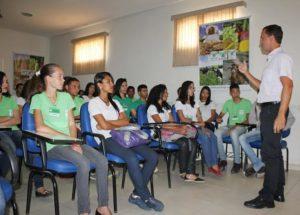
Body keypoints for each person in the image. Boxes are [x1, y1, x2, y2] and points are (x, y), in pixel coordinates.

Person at [30, 64, 111, 215]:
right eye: (60, 76)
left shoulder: (66, 97)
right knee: (84, 163)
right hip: (51, 145)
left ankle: (102, 206)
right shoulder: (38, 98)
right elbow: (40, 127)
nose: (63, 79)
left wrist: (73, 141)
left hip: (70, 141)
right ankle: (84, 211)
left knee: (102, 161)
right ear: (48, 79)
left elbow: (71, 123)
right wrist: (68, 139)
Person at [89, 72, 164, 212]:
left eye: (112, 81)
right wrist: (113, 124)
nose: (112, 84)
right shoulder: (93, 103)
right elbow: (104, 128)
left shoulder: (115, 102)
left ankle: (136, 194)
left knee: (152, 156)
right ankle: (146, 196)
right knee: (131, 157)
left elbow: (125, 121)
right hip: (106, 139)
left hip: (124, 135)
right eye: (108, 81)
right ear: (99, 85)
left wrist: (108, 122)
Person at [238, 25, 293, 209]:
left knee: (269, 154)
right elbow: (264, 87)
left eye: (262, 37)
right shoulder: (272, 60)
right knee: (274, 153)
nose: (260, 41)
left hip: (273, 111)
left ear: (271, 37)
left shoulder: (282, 58)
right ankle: (278, 190)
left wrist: (281, 115)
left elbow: (288, 86)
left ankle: (266, 197)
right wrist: (246, 73)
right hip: (269, 110)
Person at [147, 84, 204, 182]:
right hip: (159, 134)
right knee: (186, 141)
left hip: (170, 132)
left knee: (191, 140)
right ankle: (188, 172)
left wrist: (181, 127)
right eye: (165, 92)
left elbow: (172, 122)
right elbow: (161, 125)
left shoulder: (165, 107)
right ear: (158, 93)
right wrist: (178, 130)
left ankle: (187, 172)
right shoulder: (152, 107)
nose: (167, 93)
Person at [176, 81, 221, 176]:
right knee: (204, 137)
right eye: (192, 87)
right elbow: (183, 119)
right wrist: (195, 123)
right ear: (186, 89)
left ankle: (215, 164)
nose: (194, 89)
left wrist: (202, 126)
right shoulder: (179, 103)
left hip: (197, 126)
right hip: (187, 128)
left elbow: (199, 117)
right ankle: (210, 165)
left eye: (194, 87)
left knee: (213, 136)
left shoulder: (195, 103)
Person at [239, 101, 295, 177]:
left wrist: (281, 129)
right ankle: (259, 165)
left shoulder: (280, 103)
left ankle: (259, 167)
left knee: (268, 141)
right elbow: (252, 121)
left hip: (274, 132)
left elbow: (291, 119)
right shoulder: (256, 103)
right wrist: (256, 115)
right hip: (260, 131)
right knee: (242, 138)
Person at [215, 83, 251, 173]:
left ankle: (237, 163)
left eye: (237, 91)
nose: (235, 93)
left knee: (233, 132)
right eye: (233, 92)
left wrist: (235, 127)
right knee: (217, 133)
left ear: (239, 92)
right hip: (230, 126)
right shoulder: (228, 103)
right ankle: (223, 160)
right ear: (230, 93)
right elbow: (221, 115)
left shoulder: (247, 102)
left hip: (242, 126)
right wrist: (219, 118)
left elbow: (248, 120)